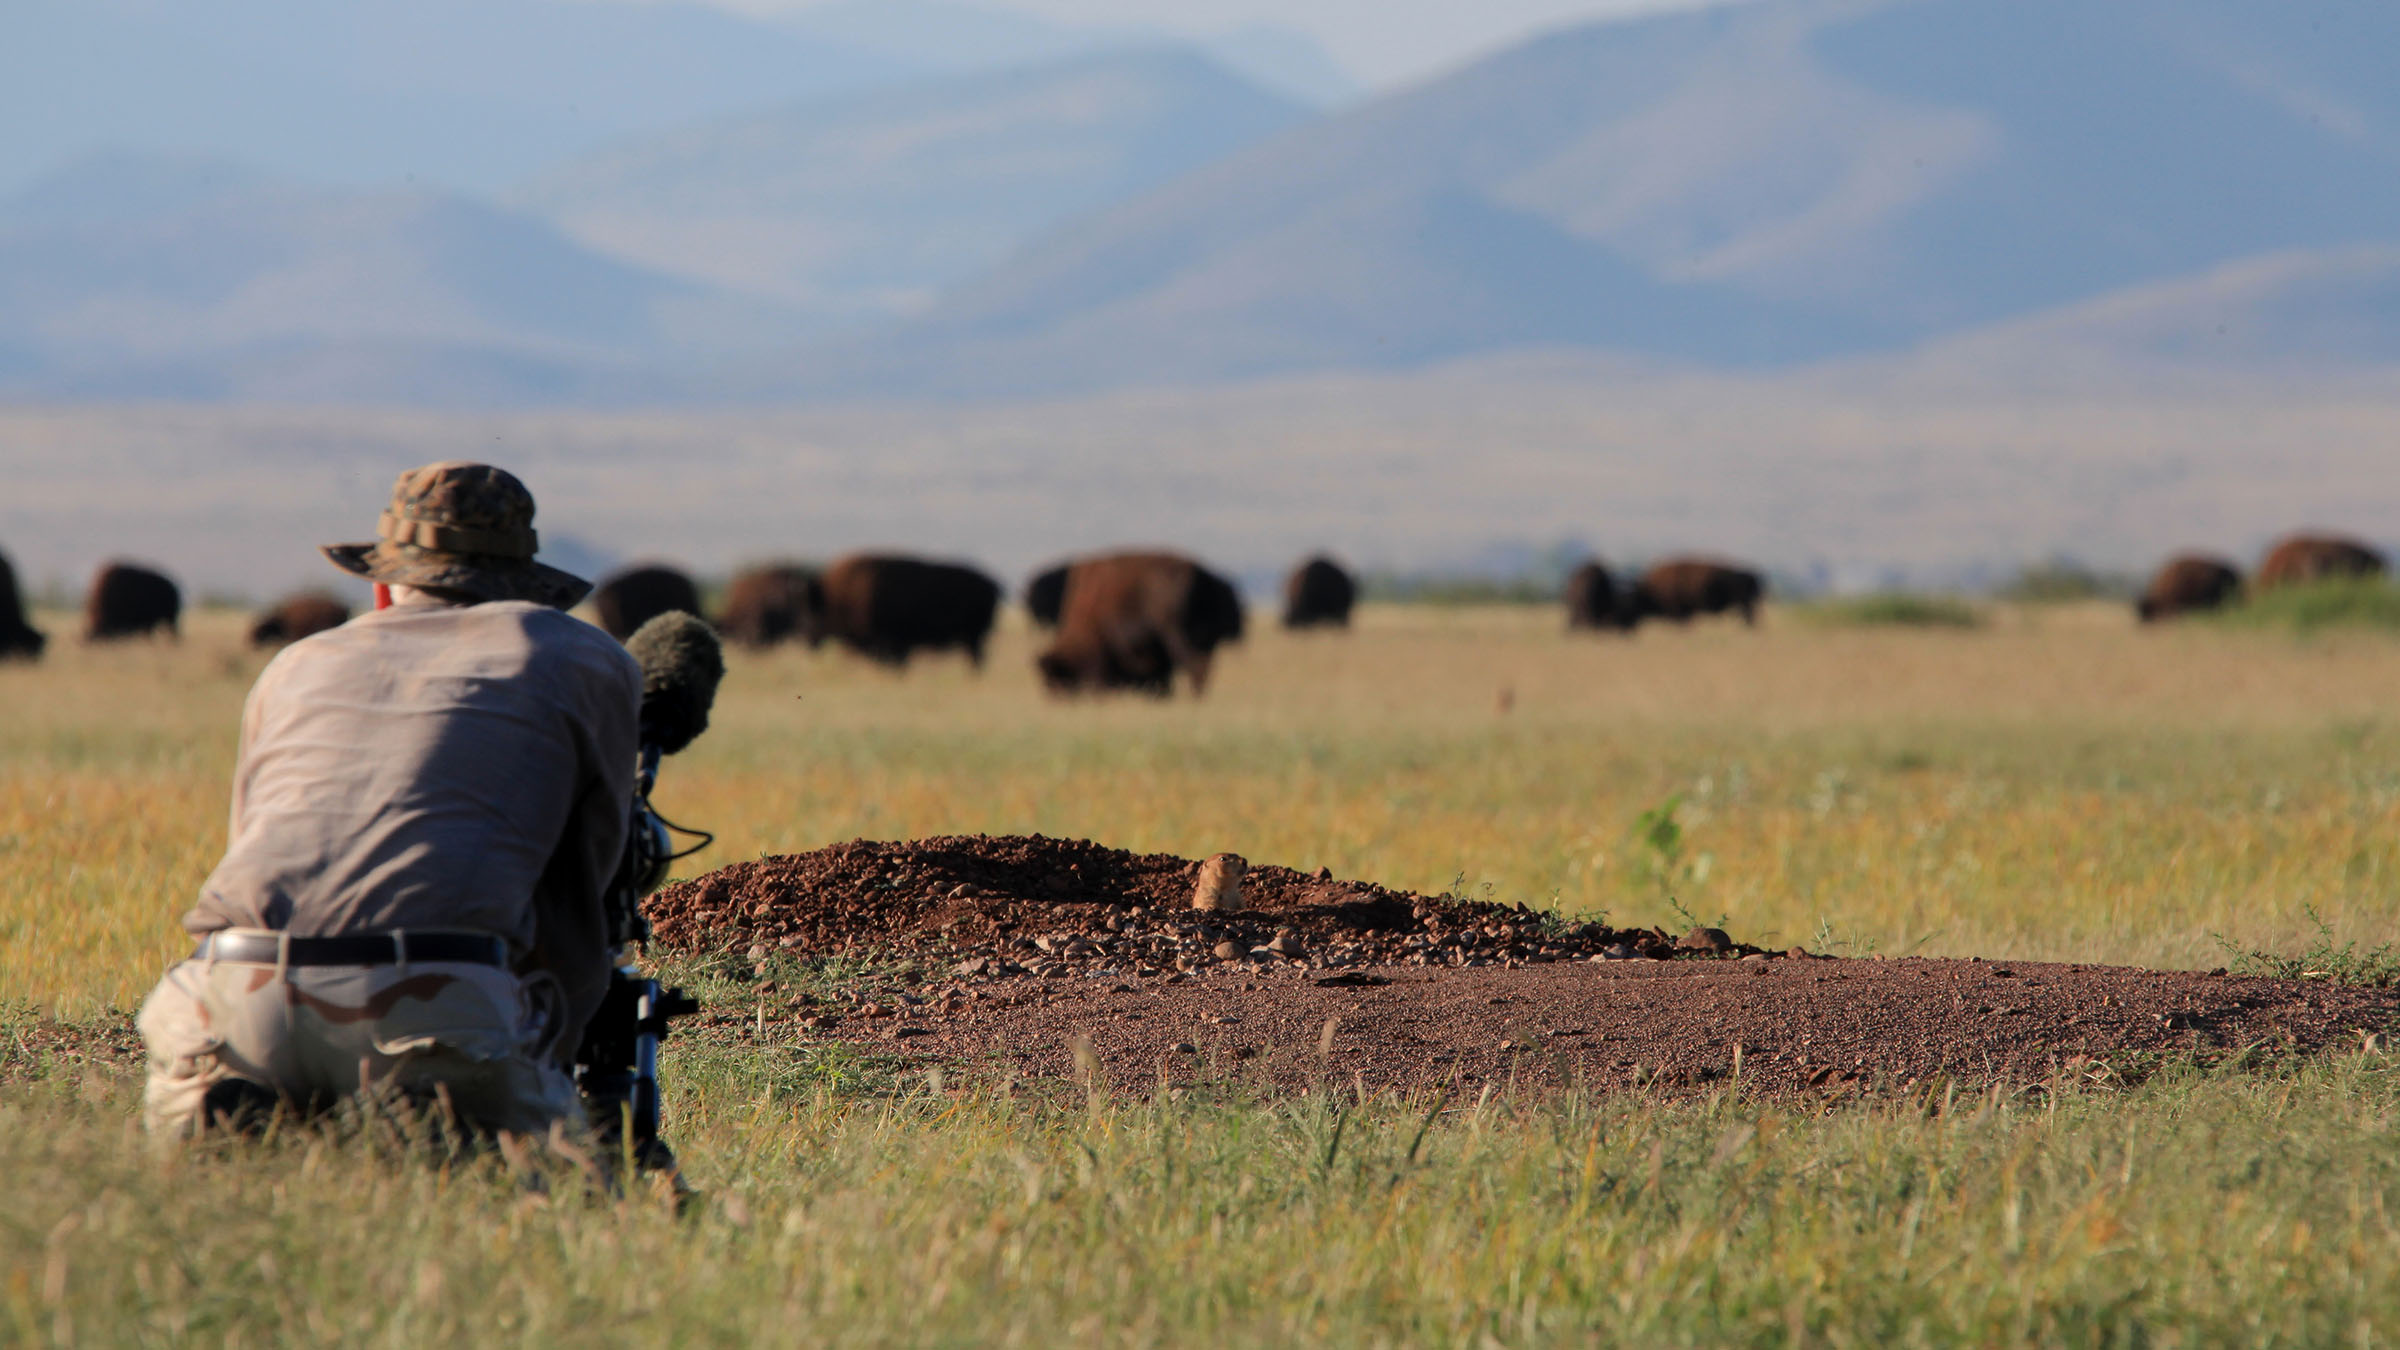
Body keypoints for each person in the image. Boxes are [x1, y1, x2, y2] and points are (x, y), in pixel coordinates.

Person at [136, 461, 641, 1147]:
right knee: (553, 1206)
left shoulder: (295, 665)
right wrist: (562, 1038)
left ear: (382, 585)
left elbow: (250, 841)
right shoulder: (581, 658)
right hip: (434, 999)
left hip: (225, 995)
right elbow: (586, 887)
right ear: (527, 586)